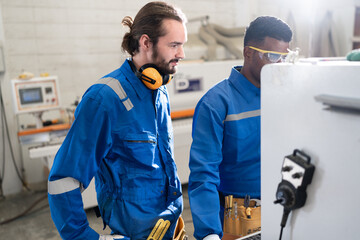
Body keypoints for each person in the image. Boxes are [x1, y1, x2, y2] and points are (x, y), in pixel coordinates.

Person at [47, 2, 187, 240]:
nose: (181, 54)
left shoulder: (159, 91)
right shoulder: (104, 100)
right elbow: (63, 180)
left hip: (170, 230)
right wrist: (84, 237)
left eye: (182, 45)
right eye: (174, 45)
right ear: (145, 43)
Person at [188, 16, 292, 240]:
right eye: (273, 56)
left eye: (284, 57)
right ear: (248, 53)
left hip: (285, 208)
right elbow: (203, 173)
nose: (280, 65)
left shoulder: (284, 96)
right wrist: (208, 232)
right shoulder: (216, 103)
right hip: (240, 218)